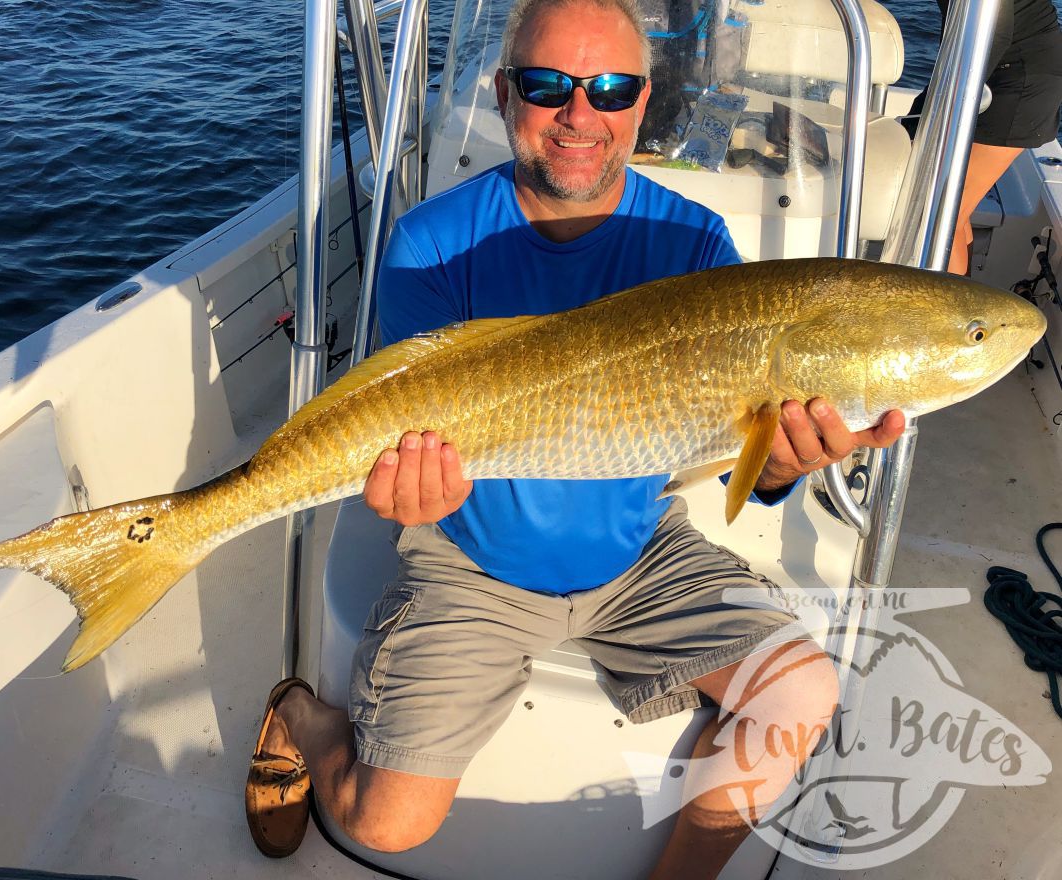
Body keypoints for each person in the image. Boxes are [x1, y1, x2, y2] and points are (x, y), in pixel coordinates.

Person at [244, 0, 906, 876]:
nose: (580, 115)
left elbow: (745, 446)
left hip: (637, 548)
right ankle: (300, 712)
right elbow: (398, 429)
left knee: (803, 688)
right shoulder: (430, 244)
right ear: (504, 91)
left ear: (643, 101)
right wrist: (408, 490)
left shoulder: (695, 240)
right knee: (384, 824)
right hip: (473, 557)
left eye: (611, 88)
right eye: (549, 86)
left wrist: (783, 466)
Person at [902, 0, 1062, 276]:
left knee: (938, 214)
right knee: (950, 205)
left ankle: (954, 314)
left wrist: (940, 100)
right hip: (1008, 71)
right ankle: (965, 304)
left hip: (1017, 81)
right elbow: (962, 26)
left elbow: (992, 34)